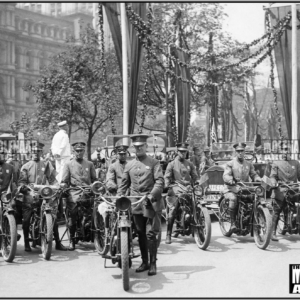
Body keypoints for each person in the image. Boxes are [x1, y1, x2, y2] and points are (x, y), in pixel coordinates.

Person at [117, 134, 164, 276]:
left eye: (141, 146)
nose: (138, 149)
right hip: (136, 204)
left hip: (150, 203)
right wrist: (118, 198)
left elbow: (160, 182)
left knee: (150, 234)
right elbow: (124, 185)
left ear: (146, 147)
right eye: (136, 147)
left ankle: (153, 263)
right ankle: (145, 262)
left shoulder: (154, 163)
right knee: (140, 233)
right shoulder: (129, 165)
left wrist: (152, 194)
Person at [18, 142, 67, 252]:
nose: (36, 153)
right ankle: (26, 242)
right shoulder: (25, 166)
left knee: (52, 216)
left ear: (41, 152)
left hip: (44, 196)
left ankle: (58, 242)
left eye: (38, 151)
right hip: (30, 197)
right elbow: (22, 182)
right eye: (34, 151)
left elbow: (53, 179)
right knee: (26, 220)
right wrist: (26, 190)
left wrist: (58, 186)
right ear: (30, 152)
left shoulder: (47, 164)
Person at [60, 141, 97, 250]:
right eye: (77, 151)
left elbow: (94, 179)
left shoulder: (89, 164)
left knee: (95, 212)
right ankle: (72, 240)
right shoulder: (68, 164)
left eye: (81, 150)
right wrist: (64, 187)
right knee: (73, 216)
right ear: (73, 151)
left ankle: (96, 236)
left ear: (84, 151)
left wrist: (94, 186)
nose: (79, 153)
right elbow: (65, 180)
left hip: (87, 193)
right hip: (74, 193)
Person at [223, 142, 262, 235]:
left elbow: (253, 174)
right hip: (231, 188)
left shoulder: (248, 164)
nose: (240, 153)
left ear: (245, 152)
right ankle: (232, 224)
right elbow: (226, 175)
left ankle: (254, 222)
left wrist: (257, 178)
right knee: (233, 199)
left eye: (242, 151)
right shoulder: (230, 163)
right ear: (235, 152)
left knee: (256, 198)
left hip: (244, 188)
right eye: (238, 151)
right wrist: (230, 180)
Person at [164, 142, 199, 244]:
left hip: (187, 188)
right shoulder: (172, 164)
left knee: (195, 204)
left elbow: (194, 175)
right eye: (181, 151)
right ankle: (168, 234)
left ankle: (196, 226)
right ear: (177, 151)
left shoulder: (189, 164)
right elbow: (167, 176)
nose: (183, 153)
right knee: (173, 209)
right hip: (175, 187)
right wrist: (167, 184)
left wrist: (196, 181)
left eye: (184, 152)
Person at [269, 142, 300, 241]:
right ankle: (273, 232)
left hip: (293, 190)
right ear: (280, 151)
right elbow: (272, 176)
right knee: (277, 210)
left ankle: (295, 224)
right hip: (280, 189)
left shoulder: (295, 163)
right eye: (283, 149)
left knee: (296, 208)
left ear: (289, 150)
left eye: (287, 149)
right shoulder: (276, 163)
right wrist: (274, 183)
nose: (285, 151)